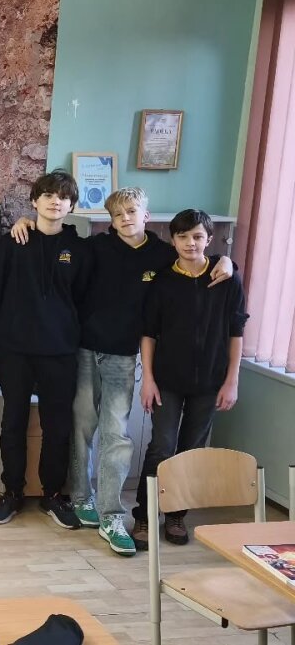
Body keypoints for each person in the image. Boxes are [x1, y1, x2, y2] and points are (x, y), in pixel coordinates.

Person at [7, 188, 232, 554]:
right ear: (111, 221)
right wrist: (24, 222)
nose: (126, 219)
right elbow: (55, 241)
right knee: (81, 427)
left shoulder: (162, 254)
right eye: (118, 215)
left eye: (132, 212)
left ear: (146, 215)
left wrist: (227, 260)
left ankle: (111, 514)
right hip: (82, 350)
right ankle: (82, 496)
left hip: (123, 358)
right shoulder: (95, 248)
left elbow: (197, 256)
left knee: (116, 434)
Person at [0, 170, 89, 529]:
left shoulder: (80, 249)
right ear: (34, 201)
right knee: (13, 422)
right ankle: (11, 492)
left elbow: (84, 301)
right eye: (49, 195)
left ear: (71, 206)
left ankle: (53, 494)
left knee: (58, 426)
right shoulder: (12, 244)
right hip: (15, 351)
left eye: (64, 197)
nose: (56, 202)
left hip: (60, 352)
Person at [132, 209, 246, 549]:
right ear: (173, 240)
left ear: (209, 240)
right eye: (183, 237)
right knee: (162, 447)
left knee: (191, 450)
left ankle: (176, 514)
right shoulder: (163, 280)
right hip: (167, 379)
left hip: (210, 381)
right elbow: (148, 333)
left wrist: (231, 381)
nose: (190, 243)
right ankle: (144, 514)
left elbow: (236, 331)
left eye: (197, 236)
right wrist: (148, 379)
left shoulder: (226, 279)